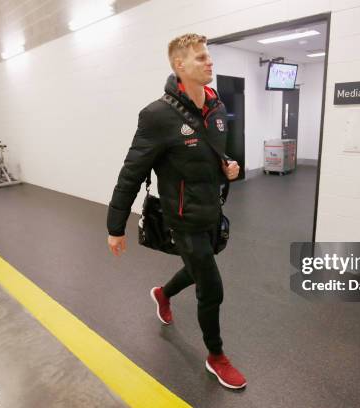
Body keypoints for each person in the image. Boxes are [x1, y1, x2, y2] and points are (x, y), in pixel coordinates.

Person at [106, 33, 246, 389]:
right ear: (179, 65)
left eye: (208, 56)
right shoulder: (157, 115)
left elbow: (213, 156)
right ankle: (216, 357)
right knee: (211, 286)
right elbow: (132, 172)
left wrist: (229, 166)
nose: (209, 62)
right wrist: (115, 226)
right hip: (180, 216)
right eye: (200, 58)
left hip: (210, 210)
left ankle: (163, 293)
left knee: (199, 267)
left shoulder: (216, 107)